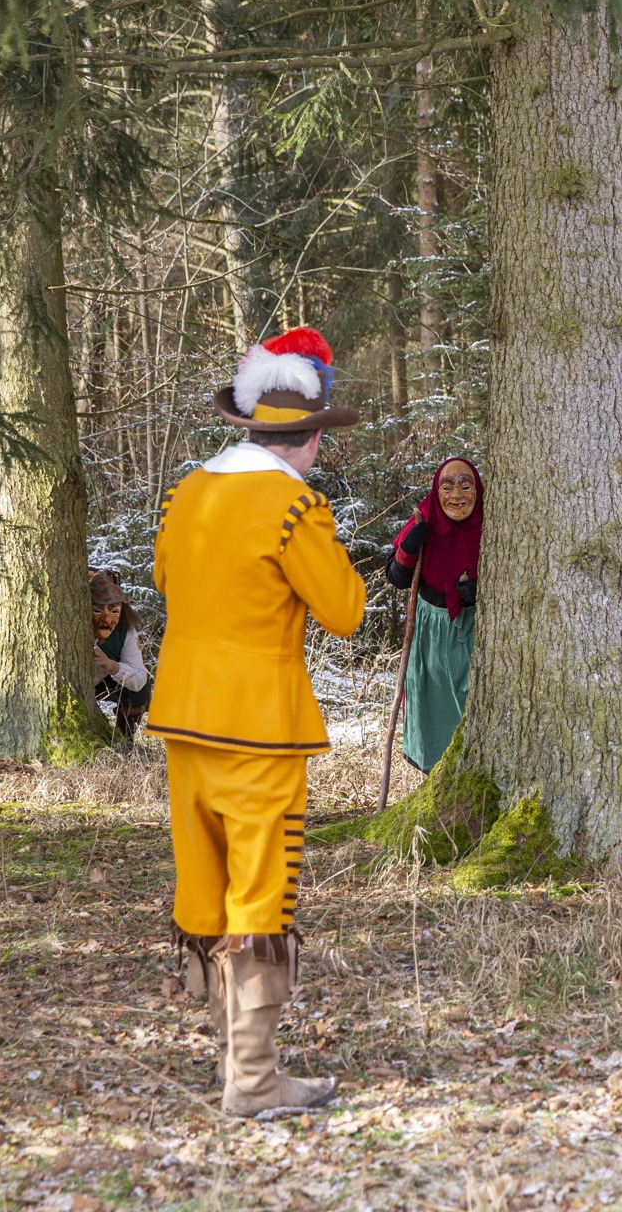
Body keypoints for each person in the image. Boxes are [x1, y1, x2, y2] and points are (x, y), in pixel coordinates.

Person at [146, 326, 367, 1116]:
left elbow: (165, 578)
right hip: (259, 728)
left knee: (204, 886)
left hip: (183, 718)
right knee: (260, 896)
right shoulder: (294, 505)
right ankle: (252, 1079)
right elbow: (344, 611)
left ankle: (233, 1063)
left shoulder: (187, 493)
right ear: (310, 437)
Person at [385, 457, 483, 772]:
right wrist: (409, 547)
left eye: (465, 486)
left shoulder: (491, 523)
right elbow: (397, 578)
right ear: (436, 490)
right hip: (429, 635)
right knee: (432, 712)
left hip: (476, 631)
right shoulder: (424, 517)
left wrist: (482, 591)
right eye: (447, 486)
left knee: (473, 706)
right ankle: (438, 782)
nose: (457, 495)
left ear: (477, 490)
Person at [90, 568, 151, 741]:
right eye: (97, 611)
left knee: (140, 689)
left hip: (103, 683)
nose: (106, 619)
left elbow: (138, 677)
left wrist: (112, 666)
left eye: (114, 611)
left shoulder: (126, 632)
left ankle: (124, 740)